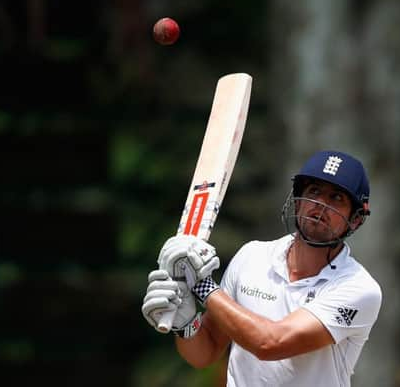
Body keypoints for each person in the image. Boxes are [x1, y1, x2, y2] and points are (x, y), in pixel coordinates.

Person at [142, 150, 382, 387]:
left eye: (336, 198)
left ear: (356, 219)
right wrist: (185, 326)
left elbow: (271, 343)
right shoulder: (252, 256)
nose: (320, 205)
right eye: (314, 191)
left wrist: (203, 287)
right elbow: (206, 353)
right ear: (297, 200)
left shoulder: (358, 288)